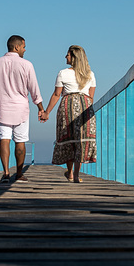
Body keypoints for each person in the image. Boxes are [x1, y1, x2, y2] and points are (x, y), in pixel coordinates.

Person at [0, 35, 45, 183]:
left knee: (4, 139)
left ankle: (6, 172)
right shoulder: (27, 65)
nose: (25, 50)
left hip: (2, 107)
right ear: (17, 47)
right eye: (24, 47)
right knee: (20, 141)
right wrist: (41, 108)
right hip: (20, 109)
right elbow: (34, 89)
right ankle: (19, 174)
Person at [42, 45, 97, 183]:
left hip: (68, 105)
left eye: (67, 54)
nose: (65, 57)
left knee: (69, 139)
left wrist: (46, 112)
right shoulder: (90, 74)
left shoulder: (63, 73)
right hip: (85, 107)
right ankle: (77, 175)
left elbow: (56, 94)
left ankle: (71, 173)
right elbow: (91, 96)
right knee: (80, 140)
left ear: (74, 57)